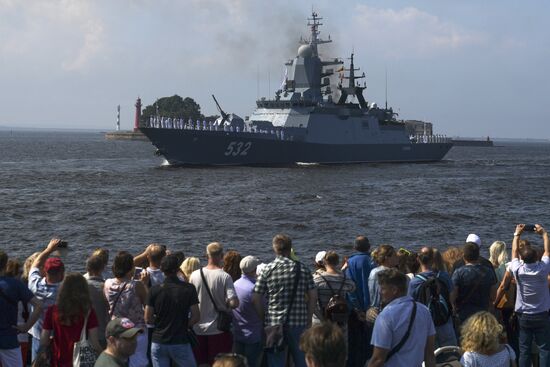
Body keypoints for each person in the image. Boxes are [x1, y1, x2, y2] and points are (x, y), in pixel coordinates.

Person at [252, 234, 317, 367]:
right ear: (290, 248)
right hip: (299, 322)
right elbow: (313, 296)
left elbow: (256, 298)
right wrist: (309, 317)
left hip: (274, 323)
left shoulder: (267, 270)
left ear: (274, 249)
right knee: (301, 360)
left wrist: (263, 317)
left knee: (276, 362)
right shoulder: (303, 269)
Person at [367, 268, 436, 367]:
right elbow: (429, 354)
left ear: (394, 290)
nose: (380, 292)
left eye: (383, 288)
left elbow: (378, 359)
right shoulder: (424, 311)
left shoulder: (385, 316)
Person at [145, 254, 200, 367]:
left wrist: (160, 323)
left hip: (158, 341)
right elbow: (196, 316)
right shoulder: (189, 289)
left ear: (162, 269)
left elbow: (148, 318)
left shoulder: (154, 290)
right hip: (180, 340)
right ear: (178, 269)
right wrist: (183, 324)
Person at [189, 242, 239, 366]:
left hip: (197, 328)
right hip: (218, 329)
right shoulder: (225, 276)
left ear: (207, 255)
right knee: (219, 363)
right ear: (221, 255)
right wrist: (229, 303)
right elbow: (233, 302)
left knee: (200, 363)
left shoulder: (194, 275)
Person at [39, 273, 102, 367]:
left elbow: (44, 340)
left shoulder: (52, 311)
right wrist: (105, 355)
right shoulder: (88, 312)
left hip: (57, 360)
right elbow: (94, 342)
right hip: (80, 361)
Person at [510, 224, 550, 367]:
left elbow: (514, 251)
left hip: (524, 315)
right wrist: (544, 234)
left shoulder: (518, 270)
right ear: (536, 258)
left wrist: (517, 234)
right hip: (542, 313)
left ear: (522, 258)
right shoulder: (543, 269)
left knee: (524, 350)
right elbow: (547, 251)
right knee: (545, 349)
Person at [104, 251, 149, 367]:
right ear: (131, 269)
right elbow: (148, 303)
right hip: (136, 331)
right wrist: (145, 284)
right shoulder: (136, 285)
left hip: (117, 331)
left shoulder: (107, 284)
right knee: (139, 363)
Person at [0, 251, 42, 367]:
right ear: (5, 265)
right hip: (9, 339)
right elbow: (39, 305)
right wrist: (26, 327)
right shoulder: (15, 284)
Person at [408, 247, 456, 347]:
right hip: (444, 319)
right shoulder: (443, 275)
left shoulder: (415, 281)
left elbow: (410, 303)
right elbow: (452, 294)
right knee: (450, 351)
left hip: (424, 322)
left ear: (418, 260)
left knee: (429, 353)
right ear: (432, 260)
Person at [28, 238, 65, 361]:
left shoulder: (34, 285)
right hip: (58, 336)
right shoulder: (64, 292)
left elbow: (35, 264)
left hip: (38, 336)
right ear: (62, 273)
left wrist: (49, 249)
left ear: (45, 271)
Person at [344, 235, 375, 366]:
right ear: (369, 247)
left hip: (354, 310)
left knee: (354, 344)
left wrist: (357, 309)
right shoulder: (373, 262)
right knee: (370, 344)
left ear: (355, 247)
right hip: (372, 309)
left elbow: (349, 288)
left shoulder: (350, 263)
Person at [313, 251, 355, 346]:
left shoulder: (317, 279)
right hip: (339, 321)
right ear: (337, 263)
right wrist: (341, 271)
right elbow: (353, 288)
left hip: (321, 321)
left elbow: (310, 298)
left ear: (324, 262)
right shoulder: (344, 279)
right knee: (340, 349)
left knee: (319, 349)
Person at [450, 242, 497, 324]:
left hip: (464, 313)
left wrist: (453, 307)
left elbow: (453, 296)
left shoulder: (459, 273)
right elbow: (493, 296)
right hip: (483, 312)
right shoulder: (488, 272)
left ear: (464, 257)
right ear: (478, 255)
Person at [232, 256, 263, 367]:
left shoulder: (235, 284)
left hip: (238, 332)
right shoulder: (254, 289)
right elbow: (262, 312)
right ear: (254, 270)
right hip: (253, 334)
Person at [86, 255, 110, 349]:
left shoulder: (80, 287)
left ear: (87, 269)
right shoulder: (106, 287)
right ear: (102, 268)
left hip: (84, 336)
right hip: (102, 334)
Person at [368, 244, 398, 311]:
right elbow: (374, 294)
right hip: (381, 310)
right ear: (387, 258)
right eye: (394, 255)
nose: (397, 257)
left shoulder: (395, 271)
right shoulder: (376, 273)